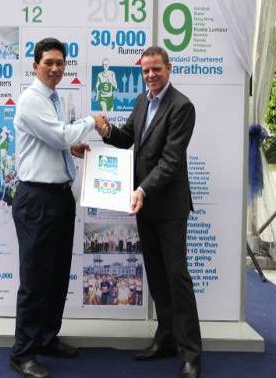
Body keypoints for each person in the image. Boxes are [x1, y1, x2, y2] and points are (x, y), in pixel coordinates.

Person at [97, 46, 202, 378]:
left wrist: (141, 189)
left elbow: (171, 160)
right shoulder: (142, 101)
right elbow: (128, 138)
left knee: (177, 277)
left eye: (156, 69)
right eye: (146, 71)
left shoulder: (182, 106)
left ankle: (191, 353)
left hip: (168, 206)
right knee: (156, 275)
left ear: (169, 68)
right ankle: (166, 338)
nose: (151, 75)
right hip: (144, 205)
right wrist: (107, 131)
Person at [11, 37, 104, 378]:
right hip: (37, 199)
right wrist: (92, 121)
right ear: (35, 65)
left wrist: (71, 150)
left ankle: (47, 338)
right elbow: (60, 135)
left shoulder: (53, 99)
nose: (54, 68)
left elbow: (55, 141)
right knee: (36, 280)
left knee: (57, 276)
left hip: (59, 197)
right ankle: (23, 352)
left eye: (60, 63)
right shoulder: (31, 100)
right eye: (48, 62)